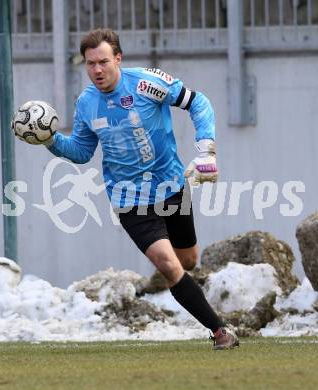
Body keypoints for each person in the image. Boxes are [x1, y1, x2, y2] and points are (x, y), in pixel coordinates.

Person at [44, 28, 239, 350]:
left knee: (188, 260)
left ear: (118, 58)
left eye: (103, 62)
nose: (97, 70)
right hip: (128, 199)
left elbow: (198, 102)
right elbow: (80, 151)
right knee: (167, 264)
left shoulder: (148, 83)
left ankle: (192, 290)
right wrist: (50, 141)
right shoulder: (86, 104)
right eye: (90, 64)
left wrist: (206, 149)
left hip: (171, 186)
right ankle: (220, 332)